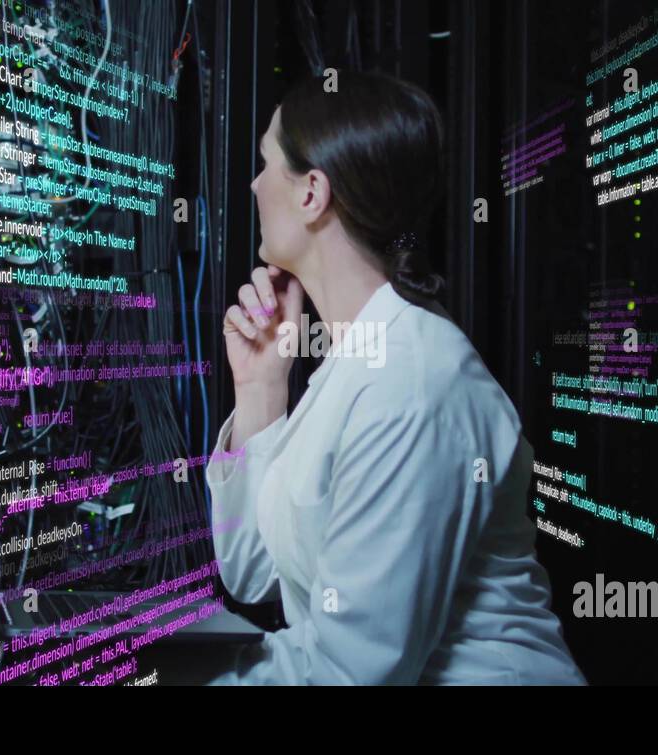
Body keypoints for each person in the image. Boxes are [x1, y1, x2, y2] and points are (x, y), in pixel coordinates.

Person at [204, 71, 584, 685]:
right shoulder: (351, 366)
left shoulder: (411, 380)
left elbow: (349, 673)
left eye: (266, 162)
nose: (252, 184)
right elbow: (249, 571)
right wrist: (260, 392)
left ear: (311, 194)